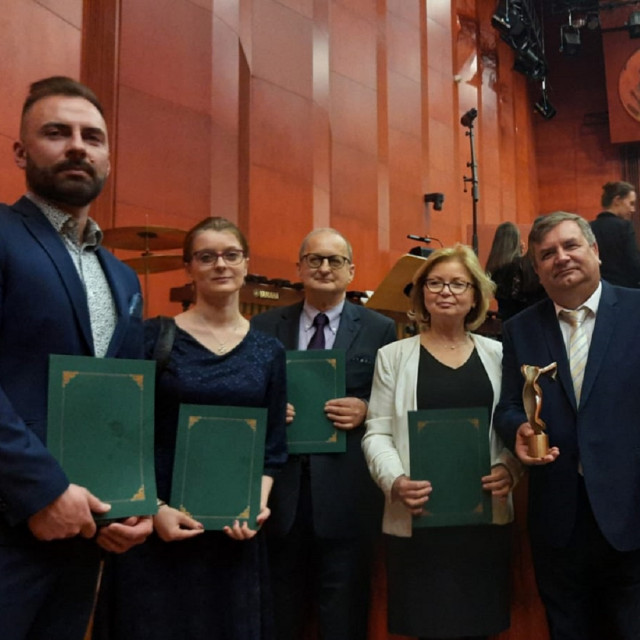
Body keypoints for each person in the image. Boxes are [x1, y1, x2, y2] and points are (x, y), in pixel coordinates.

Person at [0, 77, 152, 640]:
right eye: (56, 132)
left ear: (108, 156)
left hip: (87, 524)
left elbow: (125, 396)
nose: (77, 147)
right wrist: (42, 491)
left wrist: (132, 500)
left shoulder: (122, 275)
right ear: (21, 151)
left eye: (93, 137)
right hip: (11, 516)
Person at [94, 216, 288, 639]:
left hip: (232, 538)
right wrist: (154, 508)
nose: (220, 264)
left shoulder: (270, 350)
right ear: (189, 268)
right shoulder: (151, 338)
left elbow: (273, 446)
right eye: (206, 256)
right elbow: (120, 435)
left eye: (230, 255)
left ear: (245, 264)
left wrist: (254, 507)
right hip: (156, 528)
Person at [362, 244, 521, 640]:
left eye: (457, 283)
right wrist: (395, 481)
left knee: (481, 624)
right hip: (418, 517)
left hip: (484, 516)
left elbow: (514, 426)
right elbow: (377, 431)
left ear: (475, 296)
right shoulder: (392, 357)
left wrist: (508, 468)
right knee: (424, 625)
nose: (445, 291)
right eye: (435, 283)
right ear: (421, 295)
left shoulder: (500, 355)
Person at [494, 211, 640, 640]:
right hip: (559, 518)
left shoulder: (637, 310)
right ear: (537, 269)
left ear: (594, 251)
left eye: (571, 246)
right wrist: (517, 428)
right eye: (547, 254)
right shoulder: (520, 329)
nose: (561, 258)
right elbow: (507, 405)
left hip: (632, 513)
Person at [251, 228, 396, 640]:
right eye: (315, 259)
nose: (324, 267)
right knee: (279, 618)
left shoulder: (379, 328)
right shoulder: (263, 325)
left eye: (335, 260)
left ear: (351, 271)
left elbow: (392, 400)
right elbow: (246, 392)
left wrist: (366, 409)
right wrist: (269, 409)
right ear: (299, 268)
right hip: (280, 499)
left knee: (345, 620)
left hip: (347, 496)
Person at [486, 221, 545, 321]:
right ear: (515, 242)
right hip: (523, 321)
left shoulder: (493, 267)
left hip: (504, 321)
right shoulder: (519, 266)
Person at [589, 180, 640, 288]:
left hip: (599, 289)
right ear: (617, 200)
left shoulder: (589, 227)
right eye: (631, 203)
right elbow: (634, 263)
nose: (633, 209)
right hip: (625, 289)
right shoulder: (625, 227)